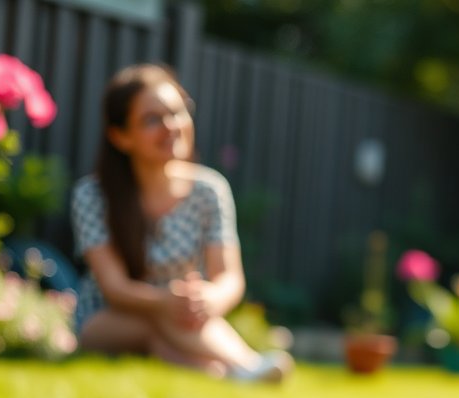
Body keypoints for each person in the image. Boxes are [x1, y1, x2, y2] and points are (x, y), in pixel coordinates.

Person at [70, 63, 292, 381]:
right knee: (157, 321)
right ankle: (248, 364)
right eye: (151, 120)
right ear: (120, 136)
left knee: (166, 330)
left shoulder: (209, 190)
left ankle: (232, 374)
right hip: (106, 319)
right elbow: (114, 288)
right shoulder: (92, 195)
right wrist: (165, 302)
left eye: (177, 112)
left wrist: (208, 299)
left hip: (185, 318)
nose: (171, 126)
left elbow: (229, 278)